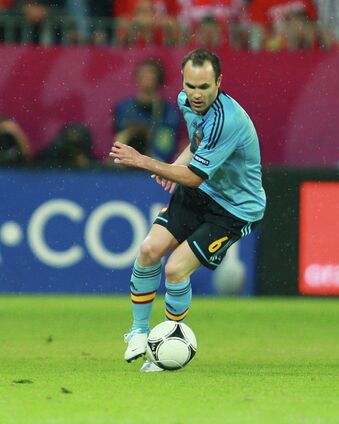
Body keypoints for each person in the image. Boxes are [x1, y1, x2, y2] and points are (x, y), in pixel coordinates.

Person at [111, 48, 266, 372]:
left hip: (235, 208)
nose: (195, 95)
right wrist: (176, 164)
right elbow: (197, 144)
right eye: (190, 86)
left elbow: (194, 177)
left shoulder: (228, 119)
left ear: (219, 82)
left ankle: (167, 344)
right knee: (149, 250)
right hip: (204, 192)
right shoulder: (186, 102)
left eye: (204, 87)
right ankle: (139, 333)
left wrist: (144, 161)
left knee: (176, 269)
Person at [113, 58, 182, 164]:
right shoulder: (124, 107)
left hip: (156, 156)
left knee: (165, 135)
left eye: (151, 75)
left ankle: (157, 164)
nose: (147, 78)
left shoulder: (169, 111)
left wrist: (148, 131)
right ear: (137, 78)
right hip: (129, 155)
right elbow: (120, 130)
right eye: (143, 75)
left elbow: (167, 135)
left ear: (159, 79)